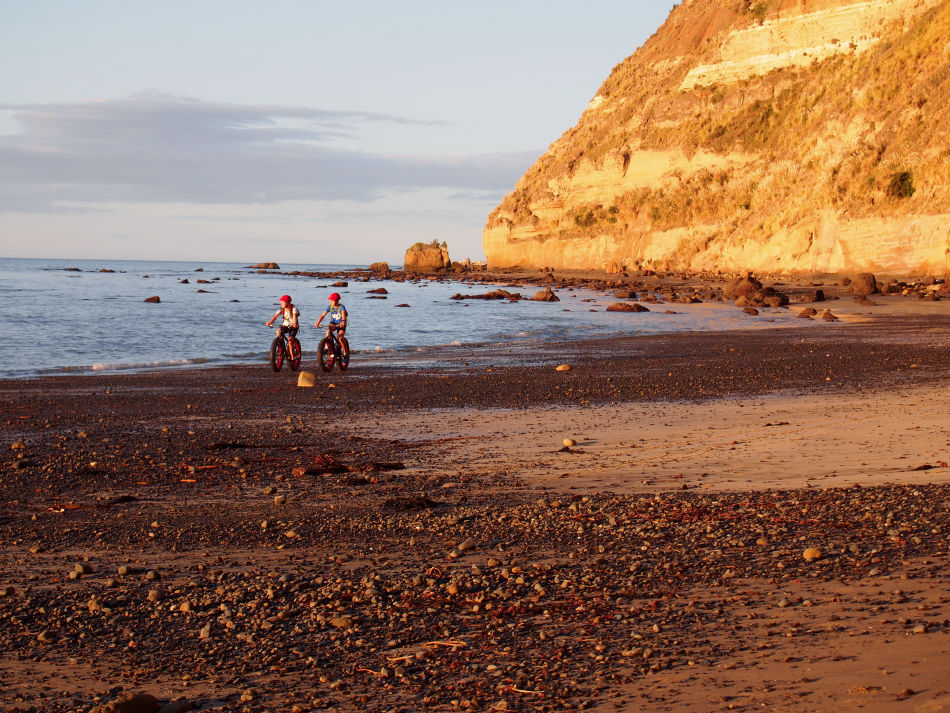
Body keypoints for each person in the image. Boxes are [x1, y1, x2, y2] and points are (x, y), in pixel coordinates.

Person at [314, 292, 348, 356]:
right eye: (331, 301)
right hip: (333, 323)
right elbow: (323, 315)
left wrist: (343, 321)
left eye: (334, 301)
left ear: (338, 301)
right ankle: (327, 348)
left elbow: (343, 314)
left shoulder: (341, 307)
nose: (332, 302)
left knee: (340, 338)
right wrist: (318, 322)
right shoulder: (330, 307)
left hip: (341, 324)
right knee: (328, 331)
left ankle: (345, 351)